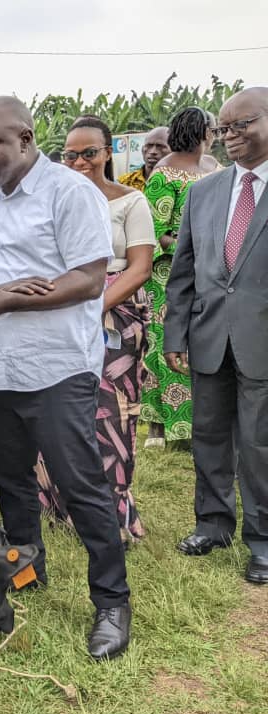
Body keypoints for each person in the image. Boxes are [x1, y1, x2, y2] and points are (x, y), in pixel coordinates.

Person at [0, 96, 132, 660]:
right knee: (10, 482)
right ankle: (27, 573)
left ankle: (111, 602)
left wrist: (10, 301)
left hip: (57, 369)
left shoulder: (68, 193)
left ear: (25, 139)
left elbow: (88, 278)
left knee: (79, 486)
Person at [164, 87, 268, 585]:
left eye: (242, 125)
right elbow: (182, 271)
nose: (230, 136)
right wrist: (174, 334)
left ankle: (263, 540)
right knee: (208, 437)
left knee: (259, 442)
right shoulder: (202, 192)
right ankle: (213, 523)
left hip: (262, 342)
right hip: (208, 337)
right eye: (224, 128)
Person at [35, 116, 155, 544]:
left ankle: (114, 513)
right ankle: (58, 505)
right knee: (60, 408)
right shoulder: (54, 202)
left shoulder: (130, 202)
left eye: (89, 153)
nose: (80, 162)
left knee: (111, 412)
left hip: (114, 315)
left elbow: (140, 267)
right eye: (71, 155)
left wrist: (93, 308)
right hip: (61, 310)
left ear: (108, 153)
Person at [141, 107, 217, 448]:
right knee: (167, 347)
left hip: (213, 273)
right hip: (169, 275)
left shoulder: (215, 168)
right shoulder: (164, 172)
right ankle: (164, 427)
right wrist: (196, 247)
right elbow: (154, 231)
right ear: (202, 132)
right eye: (214, 129)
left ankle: (199, 423)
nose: (216, 135)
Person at [118, 126, 171, 191]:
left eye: (160, 146)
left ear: (173, 150)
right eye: (149, 146)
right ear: (142, 149)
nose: (153, 151)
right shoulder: (124, 182)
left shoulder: (179, 184)